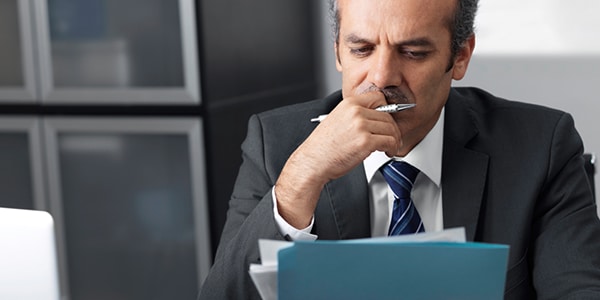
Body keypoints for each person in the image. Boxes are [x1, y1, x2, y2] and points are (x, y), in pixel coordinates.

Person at [199, 0, 600, 299]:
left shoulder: (543, 145)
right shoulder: (275, 142)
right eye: (361, 49)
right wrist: (301, 178)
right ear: (338, 50)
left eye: (413, 53)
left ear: (459, 56)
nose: (382, 77)